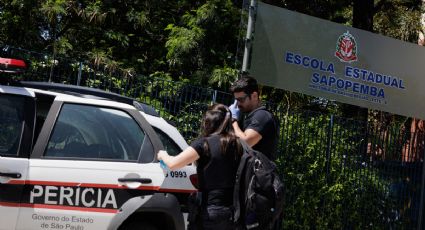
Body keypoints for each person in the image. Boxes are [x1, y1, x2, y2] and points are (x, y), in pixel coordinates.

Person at [157, 103, 242, 230]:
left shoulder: (204, 143)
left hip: (209, 209)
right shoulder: (237, 144)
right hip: (230, 210)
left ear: (208, 122)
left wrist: (163, 155)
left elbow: (173, 164)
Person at [229, 74, 279, 161]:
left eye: (241, 100)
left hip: (258, 173)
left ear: (254, 96)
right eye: (236, 100)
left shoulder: (263, 116)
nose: (238, 104)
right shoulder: (247, 115)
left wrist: (233, 120)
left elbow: (246, 142)